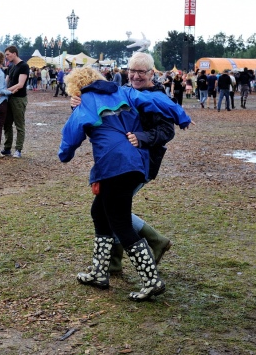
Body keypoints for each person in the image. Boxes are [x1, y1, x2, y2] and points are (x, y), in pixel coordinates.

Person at [59, 66, 191, 301]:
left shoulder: (85, 103)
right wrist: (180, 114)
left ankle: (151, 280)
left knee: (120, 222)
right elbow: (153, 99)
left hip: (114, 165)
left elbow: (71, 135)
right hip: (136, 161)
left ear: (75, 87)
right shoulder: (124, 92)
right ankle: (100, 271)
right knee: (99, 212)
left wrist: (64, 155)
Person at [1, 45, 29, 158]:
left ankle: (18, 150)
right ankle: (7, 148)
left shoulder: (24, 66)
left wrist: (5, 90)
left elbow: (20, 84)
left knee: (19, 125)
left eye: (8, 54)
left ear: (14, 53)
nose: (6, 57)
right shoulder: (11, 66)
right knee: (7, 124)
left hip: (19, 99)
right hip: (9, 98)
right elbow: (6, 81)